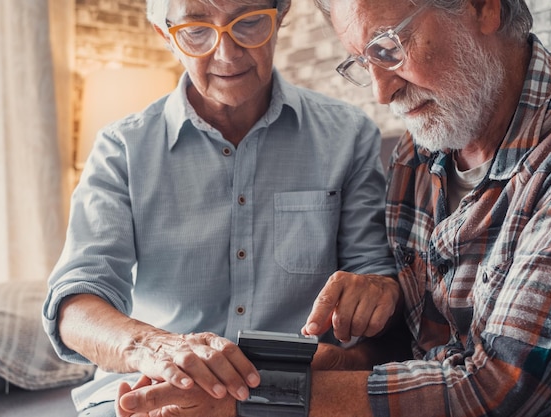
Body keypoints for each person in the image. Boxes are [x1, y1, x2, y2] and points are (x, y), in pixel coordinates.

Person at [115, 0, 551, 415]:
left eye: (389, 48)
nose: (381, 94)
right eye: (364, 62)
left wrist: (246, 400)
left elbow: (497, 388)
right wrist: (334, 362)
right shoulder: (421, 149)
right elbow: (413, 343)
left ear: (483, 7)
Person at [42, 0, 401, 415]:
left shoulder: (349, 136)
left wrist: (377, 292)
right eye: (196, 31)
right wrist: (156, 348)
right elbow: (75, 302)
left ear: (279, 18)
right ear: (166, 37)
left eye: (249, 23)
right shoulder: (121, 149)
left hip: (290, 394)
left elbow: (374, 284)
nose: (226, 53)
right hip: (158, 381)